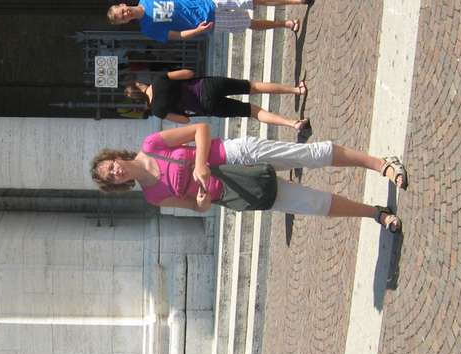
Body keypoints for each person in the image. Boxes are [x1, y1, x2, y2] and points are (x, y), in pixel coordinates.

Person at [90, 123, 408, 232]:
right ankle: (375, 213)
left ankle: (380, 164)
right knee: (311, 204)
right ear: (117, 185)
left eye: (111, 167)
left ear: (115, 157)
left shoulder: (151, 145)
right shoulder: (153, 196)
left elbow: (201, 129)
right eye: (111, 178)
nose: (116, 172)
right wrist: (202, 201)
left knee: (307, 155)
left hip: (236, 155)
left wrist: (199, 163)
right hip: (236, 189)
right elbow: (196, 207)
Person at [107, 0, 313, 43]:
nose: (124, 14)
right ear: (124, 22)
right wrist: (197, 31)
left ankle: (296, 0)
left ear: (123, 5)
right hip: (207, 22)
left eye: (121, 11)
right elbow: (176, 35)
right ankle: (285, 24)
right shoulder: (147, 29)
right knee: (248, 23)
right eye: (121, 18)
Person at [124, 69, 309, 128]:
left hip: (206, 106)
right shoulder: (158, 80)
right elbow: (189, 73)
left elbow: (185, 120)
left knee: (252, 111)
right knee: (252, 87)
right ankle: (296, 90)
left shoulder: (156, 111)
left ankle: (293, 124)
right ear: (139, 85)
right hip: (207, 85)